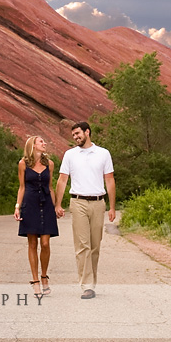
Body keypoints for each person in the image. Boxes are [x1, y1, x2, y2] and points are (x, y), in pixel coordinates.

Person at [54, 121, 116, 300]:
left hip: (98, 202)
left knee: (95, 246)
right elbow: (62, 180)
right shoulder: (70, 155)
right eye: (73, 135)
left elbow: (110, 180)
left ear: (87, 132)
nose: (75, 137)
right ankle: (87, 286)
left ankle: (91, 282)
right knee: (83, 245)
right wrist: (58, 204)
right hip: (78, 202)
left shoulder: (103, 153)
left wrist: (112, 207)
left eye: (78, 133)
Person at [13, 136, 59, 296]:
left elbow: (51, 187)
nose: (44, 144)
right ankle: (35, 281)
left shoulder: (50, 164)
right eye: (41, 142)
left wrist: (56, 206)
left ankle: (44, 276)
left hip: (46, 204)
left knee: (45, 243)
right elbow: (22, 187)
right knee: (32, 243)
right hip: (30, 204)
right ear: (32, 145)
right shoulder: (23, 164)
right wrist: (17, 207)